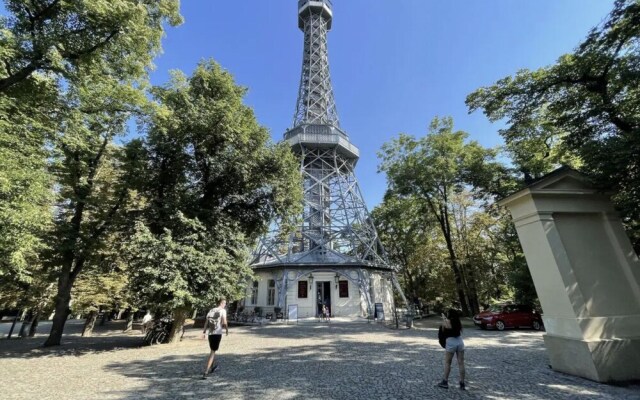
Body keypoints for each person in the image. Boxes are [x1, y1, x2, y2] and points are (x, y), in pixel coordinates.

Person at [437, 309, 466, 390]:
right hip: (460, 341)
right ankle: (462, 383)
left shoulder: (446, 322)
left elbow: (442, 333)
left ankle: (445, 382)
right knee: (461, 363)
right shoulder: (458, 322)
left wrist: (444, 319)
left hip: (451, 342)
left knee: (448, 362)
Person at [202, 298, 228, 379]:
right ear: (221, 303)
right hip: (217, 333)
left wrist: (204, 332)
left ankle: (212, 368)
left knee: (212, 350)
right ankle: (206, 371)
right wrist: (226, 330)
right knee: (213, 352)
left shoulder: (211, 310)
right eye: (224, 303)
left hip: (210, 333)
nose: (225, 305)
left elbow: (206, 321)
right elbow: (224, 321)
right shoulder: (223, 311)